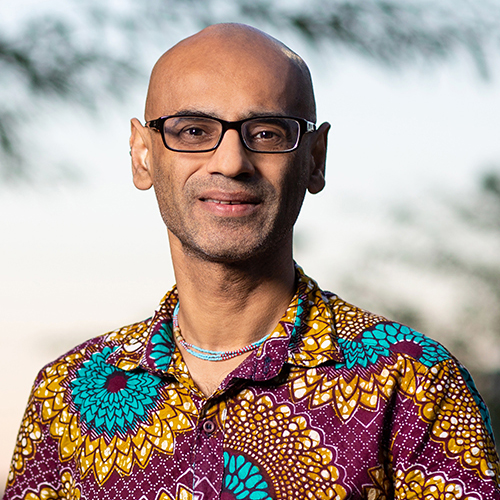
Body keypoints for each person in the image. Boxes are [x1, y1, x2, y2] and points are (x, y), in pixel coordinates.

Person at [3, 23, 500, 500]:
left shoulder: (413, 382)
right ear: (142, 155)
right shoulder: (64, 394)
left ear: (315, 158)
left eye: (265, 133)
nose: (230, 162)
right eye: (193, 130)